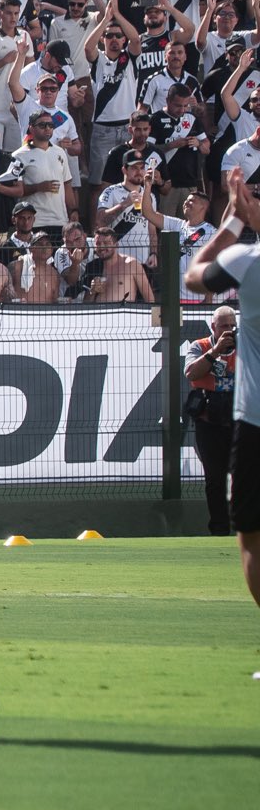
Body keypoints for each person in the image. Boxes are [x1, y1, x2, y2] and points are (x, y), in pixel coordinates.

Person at [182, 181, 260, 622]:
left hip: (255, 417)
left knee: (250, 535)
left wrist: (233, 220)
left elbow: (195, 276)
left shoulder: (248, 260)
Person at [181, 304, 238, 537]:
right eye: (224, 326)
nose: (229, 331)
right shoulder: (200, 346)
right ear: (213, 326)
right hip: (209, 421)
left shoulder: (246, 346)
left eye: (233, 326)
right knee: (214, 479)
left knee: (244, 477)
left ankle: (246, 528)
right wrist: (215, 351)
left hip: (238, 419)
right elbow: (191, 373)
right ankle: (220, 530)